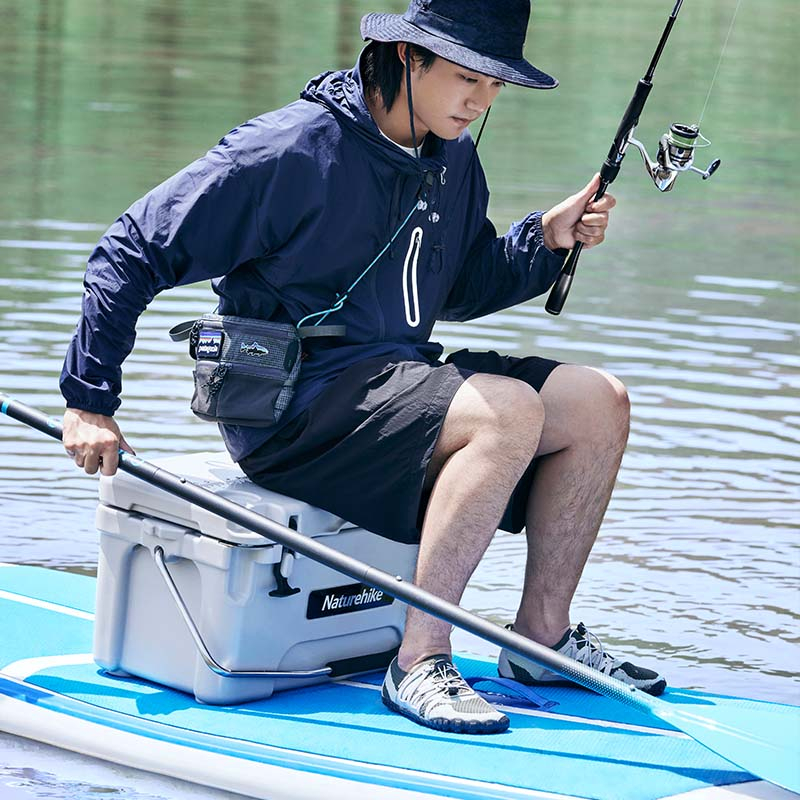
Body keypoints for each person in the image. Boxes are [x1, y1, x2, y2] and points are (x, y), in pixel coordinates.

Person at [60, 0, 666, 735]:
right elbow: (130, 250)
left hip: (398, 382)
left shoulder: (451, 155)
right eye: (467, 77)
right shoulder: (286, 150)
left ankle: (541, 640)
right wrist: (89, 400)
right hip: (291, 411)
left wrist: (544, 238)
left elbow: (461, 287)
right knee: (507, 412)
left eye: (495, 84)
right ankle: (419, 660)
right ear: (409, 55)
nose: (480, 100)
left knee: (599, 401)